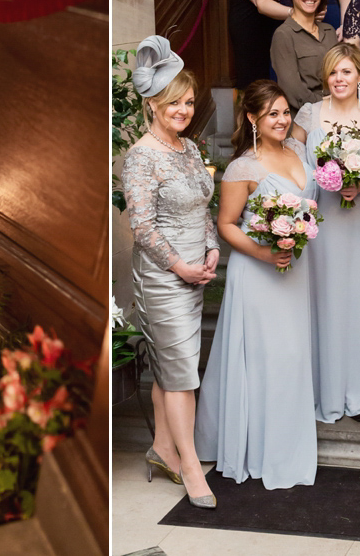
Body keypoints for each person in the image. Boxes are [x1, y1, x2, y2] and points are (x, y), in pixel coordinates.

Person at [195, 80, 319, 490]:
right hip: (259, 272)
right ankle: (258, 446)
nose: (282, 120)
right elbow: (226, 225)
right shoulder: (241, 168)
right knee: (268, 356)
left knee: (293, 355)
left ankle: (286, 441)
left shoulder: (299, 150)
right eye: (273, 114)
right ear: (252, 118)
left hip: (295, 269)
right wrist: (266, 254)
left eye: (285, 112)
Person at [120, 37, 219, 508]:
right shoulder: (141, 155)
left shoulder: (188, 148)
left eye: (189, 101)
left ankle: (162, 449)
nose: (184, 109)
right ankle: (191, 466)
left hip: (193, 271)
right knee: (183, 376)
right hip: (162, 277)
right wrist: (181, 265)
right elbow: (141, 226)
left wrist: (212, 248)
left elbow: (203, 204)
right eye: (174, 102)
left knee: (170, 369)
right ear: (153, 104)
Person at [291, 44, 360, 423]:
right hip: (324, 224)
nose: (339, 79)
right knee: (328, 302)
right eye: (333, 72)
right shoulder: (310, 113)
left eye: (346, 72)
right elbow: (292, 164)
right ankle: (326, 392)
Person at [270, 0, 335, 112]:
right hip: (304, 117)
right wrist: (328, 107)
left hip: (337, 114)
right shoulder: (284, 35)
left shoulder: (329, 31)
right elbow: (293, 91)